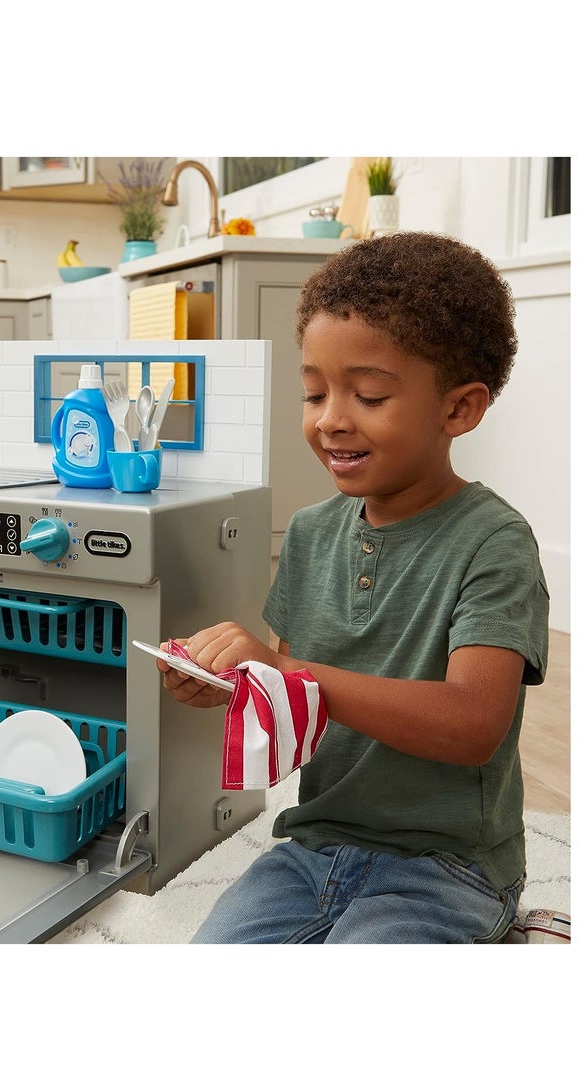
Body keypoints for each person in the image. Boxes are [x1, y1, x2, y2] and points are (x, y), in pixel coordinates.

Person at [157, 231, 550, 944]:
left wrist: (287, 671)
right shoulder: (309, 532)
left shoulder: (495, 542)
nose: (331, 417)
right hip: (314, 847)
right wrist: (242, 684)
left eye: (368, 395)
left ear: (459, 410)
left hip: (450, 865)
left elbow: (471, 725)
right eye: (315, 391)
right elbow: (303, 703)